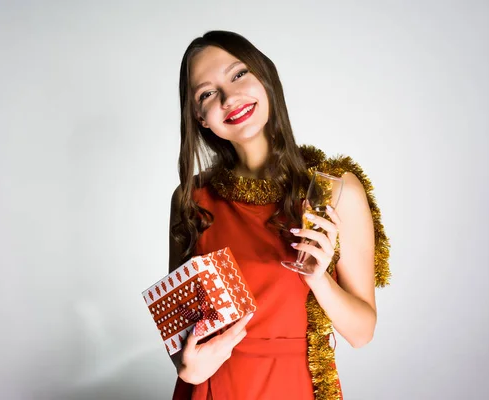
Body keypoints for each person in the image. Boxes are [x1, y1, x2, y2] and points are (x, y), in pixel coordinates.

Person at [168, 30, 391, 400]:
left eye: (238, 74)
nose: (228, 97)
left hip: (293, 386)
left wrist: (320, 279)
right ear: (199, 117)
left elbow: (362, 332)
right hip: (209, 391)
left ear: (265, 77)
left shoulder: (333, 190)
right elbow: (181, 334)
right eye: (207, 93)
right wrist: (187, 368)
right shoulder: (191, 198)